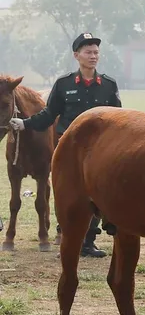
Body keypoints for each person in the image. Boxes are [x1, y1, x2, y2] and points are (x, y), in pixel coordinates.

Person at [10, 32, 120, 258]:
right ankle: (69, 240)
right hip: (68, 149)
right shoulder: (64, 84)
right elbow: (49, 114)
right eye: (88, 52)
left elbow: (118, 117)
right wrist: (24, 124)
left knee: (96, 195)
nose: (93, 56)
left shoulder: (108, 85)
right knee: (69, 196)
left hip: (99, 150)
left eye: (96, 52)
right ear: (76, 55)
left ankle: (88, 243)